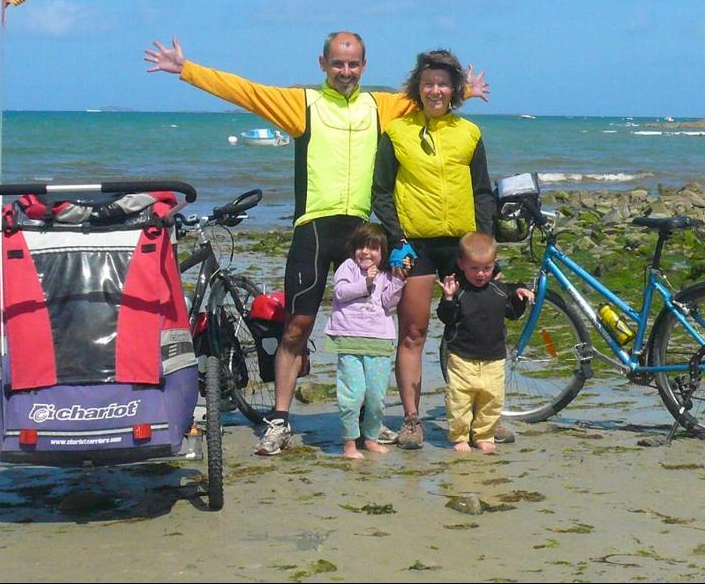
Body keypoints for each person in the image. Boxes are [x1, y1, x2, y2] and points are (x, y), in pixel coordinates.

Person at [144, 32, 488, 456]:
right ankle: (280, 419)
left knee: (368, 329)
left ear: (364, 66)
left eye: (354, 64)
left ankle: (367, 420)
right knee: (296, 325)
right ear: (323, 63)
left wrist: (466, 90)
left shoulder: (380, 106)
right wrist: (188, 70)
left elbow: (430, 98)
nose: (346, 71)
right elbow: (249, 93)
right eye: (338, 63)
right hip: (313, 228)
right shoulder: (302, 104)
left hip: (361, 233)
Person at [371, 49, 509, 450]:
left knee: (475, 329)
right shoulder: (397, 133)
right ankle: (412, 418)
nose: (435, 90)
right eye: (428, 83)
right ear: (419, 87)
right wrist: (397, 239)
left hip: (463, 245)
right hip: (416, 245)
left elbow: (483, 191)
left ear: (454, 91)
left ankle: (484, 417)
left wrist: (484, 240)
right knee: (413, 332)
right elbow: (381, 193)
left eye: (443, 84)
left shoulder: (469, 132)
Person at [437, 232, 534, 452]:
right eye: (474, 269)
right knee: (458, 401)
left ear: (495, 265)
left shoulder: (499, 290)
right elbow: (446, 318)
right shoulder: (459, 291)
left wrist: (520, 294)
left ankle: (484, 435)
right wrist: (449, 299)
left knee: (492, 400)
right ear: (461, 264)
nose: (481, 274)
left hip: (494, 358)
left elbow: (512, 312)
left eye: (487, 268)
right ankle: (460, 436)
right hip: (462, 357)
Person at [324, 224, 405, 459]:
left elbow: (389, 303)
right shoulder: (347, 267)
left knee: (376, 397)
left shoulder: (385, 274)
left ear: (383, 253)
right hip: (349, 339)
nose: (366, 253)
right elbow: (340, 293)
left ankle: (370, 438)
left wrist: (398, 280)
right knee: (352, 394)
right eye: (361, 247)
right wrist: (366, 283)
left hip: (378, 341)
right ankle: (349, 442)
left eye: (373, 248)